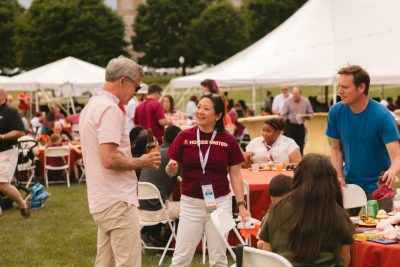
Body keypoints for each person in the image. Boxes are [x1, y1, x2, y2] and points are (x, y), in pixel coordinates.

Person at [79, 56, 161, 267]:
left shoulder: (92, 105)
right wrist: (141, 161)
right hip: (117, 199)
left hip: (102, 198)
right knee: (128, 263)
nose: (136, 92)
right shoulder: (110, 109)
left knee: (105, 262)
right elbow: (109, 158)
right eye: (135, 86)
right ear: (123, 81)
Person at [166, 93, 251, 267]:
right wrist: (171, 169)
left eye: (206, 108)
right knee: (181, 259)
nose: (200, 111)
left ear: (218, 115)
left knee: (219, 258)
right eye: (198, 107)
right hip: (190, 204)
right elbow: (169, 170)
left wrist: (241, 205)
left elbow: (236, 175)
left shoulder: (228, 140)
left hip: (219, 205)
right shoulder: (184, 137)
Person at [326, 65, 400, 215]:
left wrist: (392, 170)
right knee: (343, 233)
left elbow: (397, 156)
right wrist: (338, 175)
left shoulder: (383, 117)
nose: (340, 91)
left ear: (361, 87)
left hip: (378, 187)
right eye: (339, 86)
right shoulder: (335, 112)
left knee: (382, 233)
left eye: (345, 87)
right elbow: (335, 149)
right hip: (348, 185)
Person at [258, 154, 355, 267]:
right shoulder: (338, 214)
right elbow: (345, 258)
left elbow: (267, 257)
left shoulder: (276, 210)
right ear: (331, 182)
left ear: (297, 178)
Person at [139, 124, 182, 245]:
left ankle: (153, 235)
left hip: (140, 209)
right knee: (190, 208)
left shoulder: (153, 153)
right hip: (157, 210)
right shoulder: (173, 155)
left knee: (170, 199)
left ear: (163, 138)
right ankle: (169, 244)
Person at [0, 87, 31, 218]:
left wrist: (2, 137)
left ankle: (23, 204)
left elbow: (20, 131)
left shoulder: (11, 111)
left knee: (2, 185)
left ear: (2, 96)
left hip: (7, 151)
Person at [256, 174, 292, 249]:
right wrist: (263, 243)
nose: (276, 205)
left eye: (281, 202)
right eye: (273, 201)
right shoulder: (269, 216)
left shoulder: (296, 216)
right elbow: (259, 243)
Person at [281, 86, 313, 154]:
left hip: (300, 125)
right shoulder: (287, 102)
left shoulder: (306, 101)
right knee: (290, 144)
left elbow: (311, 114)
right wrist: (282, 126)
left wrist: (306, 116)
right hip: (289, 126)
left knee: (300, 145)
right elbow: (283, 115)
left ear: (300, 93)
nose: (295, 95)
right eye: (293, 94)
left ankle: (300, 161)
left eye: (296, 94)